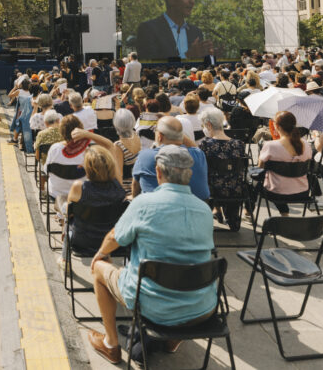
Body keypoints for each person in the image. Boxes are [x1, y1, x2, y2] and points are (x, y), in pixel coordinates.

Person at [87, 145, 216, 364]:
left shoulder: (143, 204)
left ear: (158, 173)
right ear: (190, 175)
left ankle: (110, 343)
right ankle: (172, 340)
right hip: (202, 309)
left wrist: (99, 254)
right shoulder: (204, 210)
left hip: (155, 307)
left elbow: (113, 238)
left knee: (99, 267)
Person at [60, 145, 127, 269]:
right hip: (111, 242)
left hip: (82, 241)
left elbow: (69, 213)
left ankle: (64, 259)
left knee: (64, 209)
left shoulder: (79, 187)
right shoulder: (118, 187)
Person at [132, 116, 210, 201]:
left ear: (160, 136)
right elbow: (194, 147)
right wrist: (177, 133)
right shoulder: (198, 154)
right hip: (197, 209)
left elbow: (135, 187)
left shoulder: (145, 156)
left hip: (157, 210)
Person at [134, 0, 212, 61]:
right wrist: (187, 55)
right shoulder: (148, 29)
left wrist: (211, 58)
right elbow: (148, 65)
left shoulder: (196, 32)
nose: (192, 1)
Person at [257, 111, 313, 215]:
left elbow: (259, 168)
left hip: (276, 193)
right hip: (302, 192)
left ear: (276, 126)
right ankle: (284, 213)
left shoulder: (270, 146)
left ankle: (247, 212)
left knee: (253, 183)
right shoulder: (306, 144)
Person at [200, 107, 246, 229]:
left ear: (208, 125)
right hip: (235, 189)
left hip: (212, 190)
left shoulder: (205, 144)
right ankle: (231, 217)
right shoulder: (239, 144)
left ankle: (214, 211)